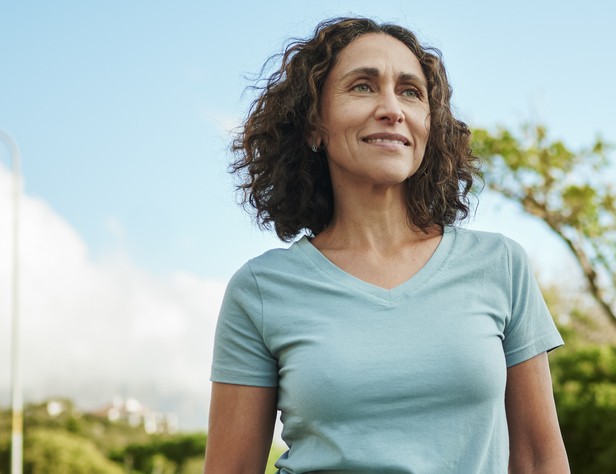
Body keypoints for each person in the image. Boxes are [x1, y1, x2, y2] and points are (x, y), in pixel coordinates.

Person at [205, 17, 569, 473]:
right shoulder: (260, 289)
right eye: (362, 87)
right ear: (314, 124)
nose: (392, 108)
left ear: (426, 126)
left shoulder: (501, 266)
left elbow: (538, 460)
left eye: (411, 91)